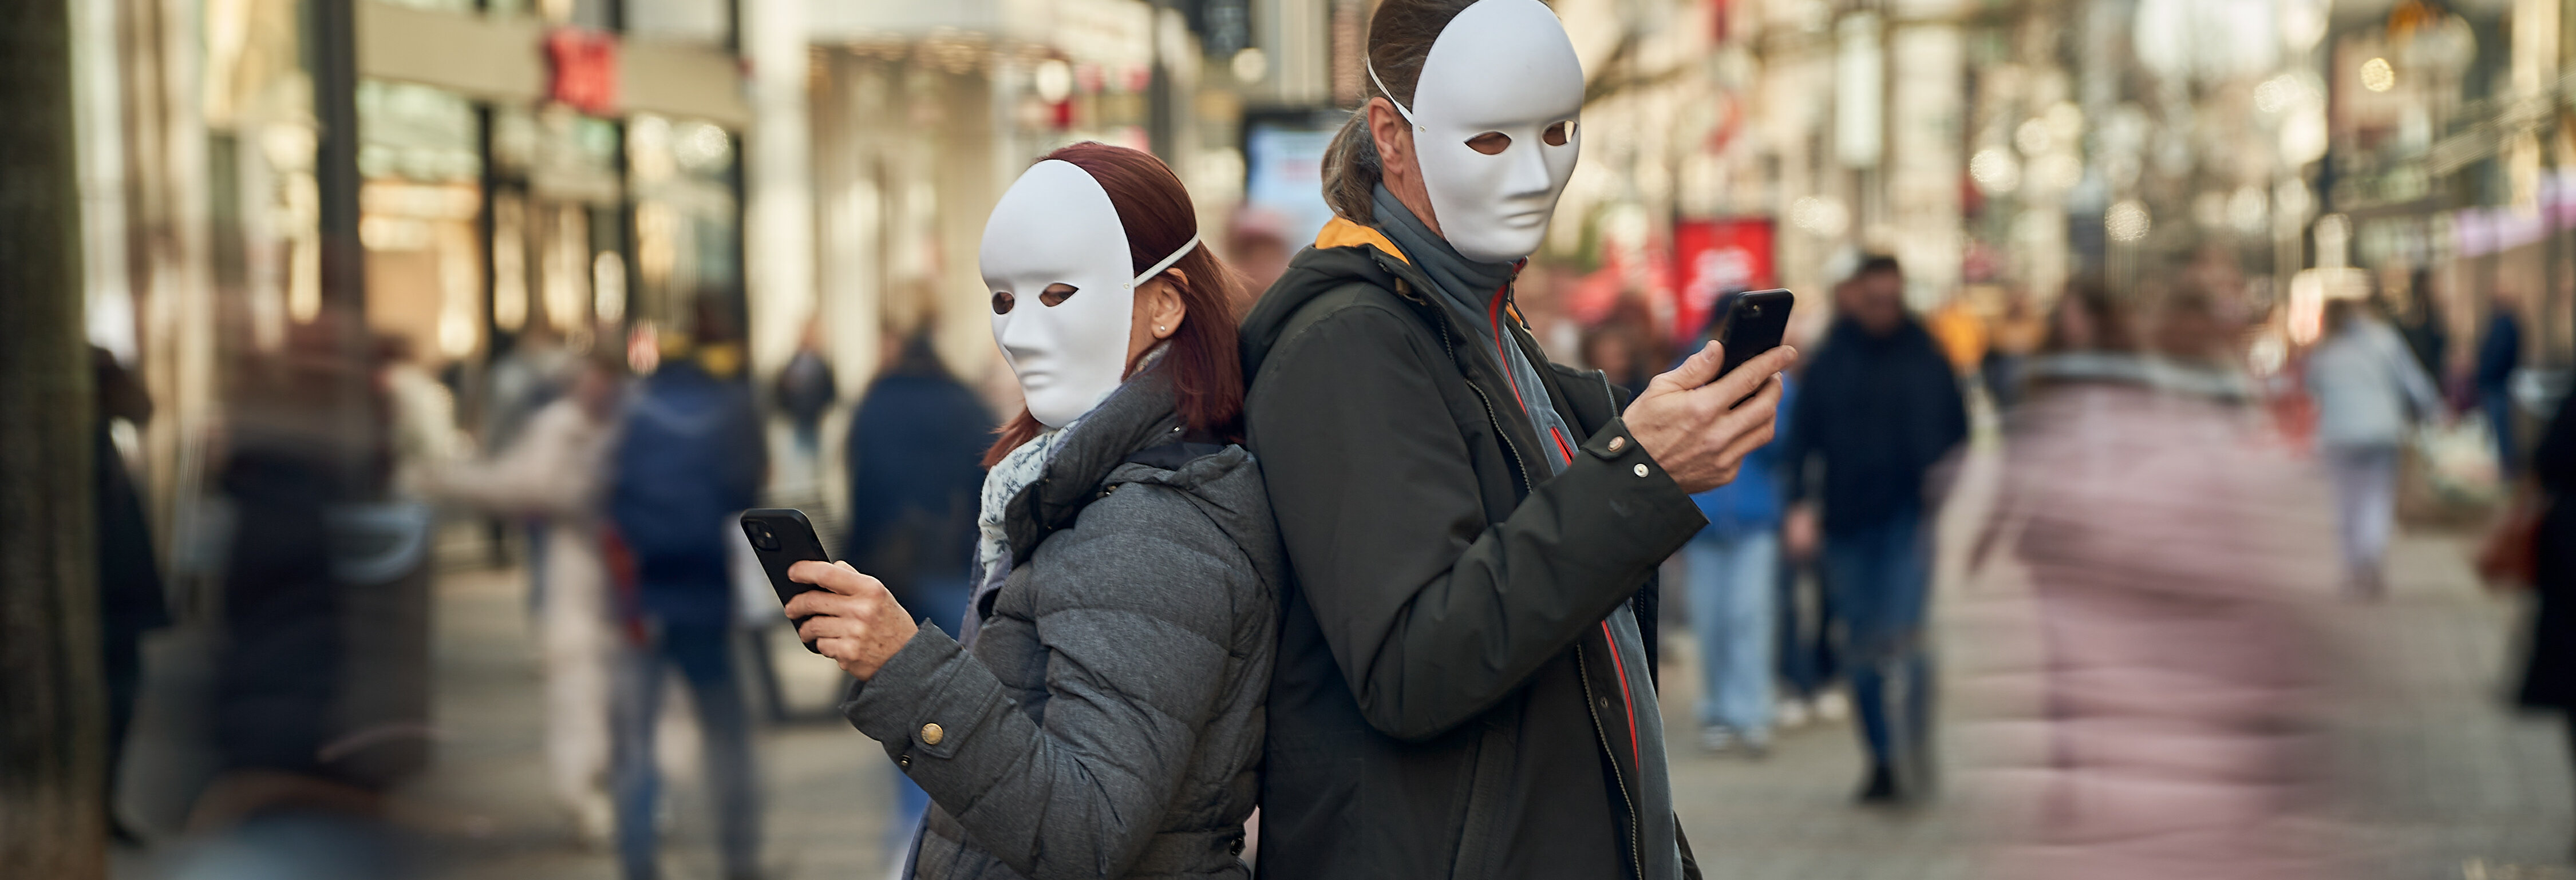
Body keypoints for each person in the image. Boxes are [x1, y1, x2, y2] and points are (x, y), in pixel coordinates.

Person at [1236, 1, 1794, 876]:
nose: (1536, 174)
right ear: (1393, 135)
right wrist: (1639, 474)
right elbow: (1413, 662)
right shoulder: (1347, 341)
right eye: (1491, 141)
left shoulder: (1481, 320)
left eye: (1558, 132)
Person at [783, 143, 1283, 880]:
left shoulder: (1152, 524)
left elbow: (1088, 830)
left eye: (1056, 295)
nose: (1018, 332)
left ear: (1166, 302)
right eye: (1001, 300)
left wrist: (906, 663)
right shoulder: (1084, 483)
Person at [1780, 255, 1970, 805]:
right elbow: (1803, 440)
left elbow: (1956, 431)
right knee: (1860, 650)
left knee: (1907, 642)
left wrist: (1944, 485)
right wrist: (1798, 507)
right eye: (1874, 297)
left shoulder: (1926, 354)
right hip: (1844, 523)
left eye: (1892, 297)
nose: (1883, 308)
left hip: (1908, 519)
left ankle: (1914, 749)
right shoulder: (1833, 359)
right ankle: (1883, 760)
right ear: (1859, 296)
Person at [424, 352, 626, 846]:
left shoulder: (598, 428)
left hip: (615, 583)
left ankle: (608, 798)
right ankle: (598, 798)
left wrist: (442, 479)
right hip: (592, 579)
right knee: (590, 689)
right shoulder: (575, 425)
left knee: (599, 690)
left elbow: (526, 484)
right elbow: (522, 483)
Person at [606, 308, 768, 880]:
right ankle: (739, 853)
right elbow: (746, 488)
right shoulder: (729, 407)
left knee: (637, 738)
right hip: (706, 591)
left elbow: (612, 494)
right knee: (726, 732)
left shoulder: (631, 408)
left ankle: (638, 855)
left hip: (646, 596)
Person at [837, 327, 994, 859]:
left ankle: (908, 839)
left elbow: (862, 493)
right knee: (951, 703)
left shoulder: (875, 406)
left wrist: (856, 573)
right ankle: (941, 837)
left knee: (907, 708)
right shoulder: (963, 402)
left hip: (890, 576)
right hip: (953, 569)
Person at [1675, 297, 1792, 757]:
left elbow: (1786, 441)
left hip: (1754, 518)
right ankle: (1719, 709)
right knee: (1711, 620)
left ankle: (1753, 710)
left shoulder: (1773, 376)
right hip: (1700, 520)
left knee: (1749, 614)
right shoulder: (1684, 369)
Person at [2305, 298, 2442, 598]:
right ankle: (2371, 556)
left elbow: (2311, 386)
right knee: (2376, 499)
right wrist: (2433, 412)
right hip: (2382, 431)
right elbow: (2414, 382)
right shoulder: (2385, 339)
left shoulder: (2326, 348)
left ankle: (2353, 569)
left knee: (2347, 505)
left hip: (2339, 434)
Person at [93, 347, 169, 845]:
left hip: (114, 581)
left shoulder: (88, 366)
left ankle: (103, 805)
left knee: (121, 697)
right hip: (101, 582)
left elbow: (142, 409)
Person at [2478, 290, 2526, 478]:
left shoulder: (2504, 326)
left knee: (2500, 430)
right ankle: (2502, 469)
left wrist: (2484, 375)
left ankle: (2505, 471)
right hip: (2497, 382)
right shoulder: (2504, 324)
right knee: (2499, 429)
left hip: (2497, 384)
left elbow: (2499, 357)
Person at [774, 326, 839, 463]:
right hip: (796, 425)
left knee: (817, 465)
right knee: (798, 465)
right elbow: (780, 393)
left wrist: (823, 412)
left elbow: (831, 393)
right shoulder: (791, 366)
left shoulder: (822, 366)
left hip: (817, 424)